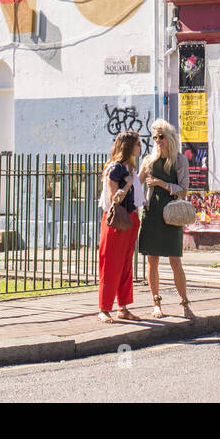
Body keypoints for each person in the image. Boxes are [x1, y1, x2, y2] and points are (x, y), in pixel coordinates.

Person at [138, 119, 195, 320]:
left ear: (170, 137)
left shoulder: (180, 161)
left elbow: (184, 191)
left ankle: (185, 303)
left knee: (175, 260)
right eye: (155, 137)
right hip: (152, 213)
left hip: (172, 216)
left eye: (161, 136)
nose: (158, 140)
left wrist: (162, 183)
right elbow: (137, 184)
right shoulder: (148, 160)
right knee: (152, 261)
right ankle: (156, 303)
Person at [97, 130, 143, 323]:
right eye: (137, 143)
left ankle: (122, 307)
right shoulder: (114, 169)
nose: (140, 147)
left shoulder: (130, 168)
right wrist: (128, 184)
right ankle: (104, 309)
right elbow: (113, 198)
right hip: (116, 220)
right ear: (129, 146)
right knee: (111, 265)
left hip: (131, 218)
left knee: (125, 266)